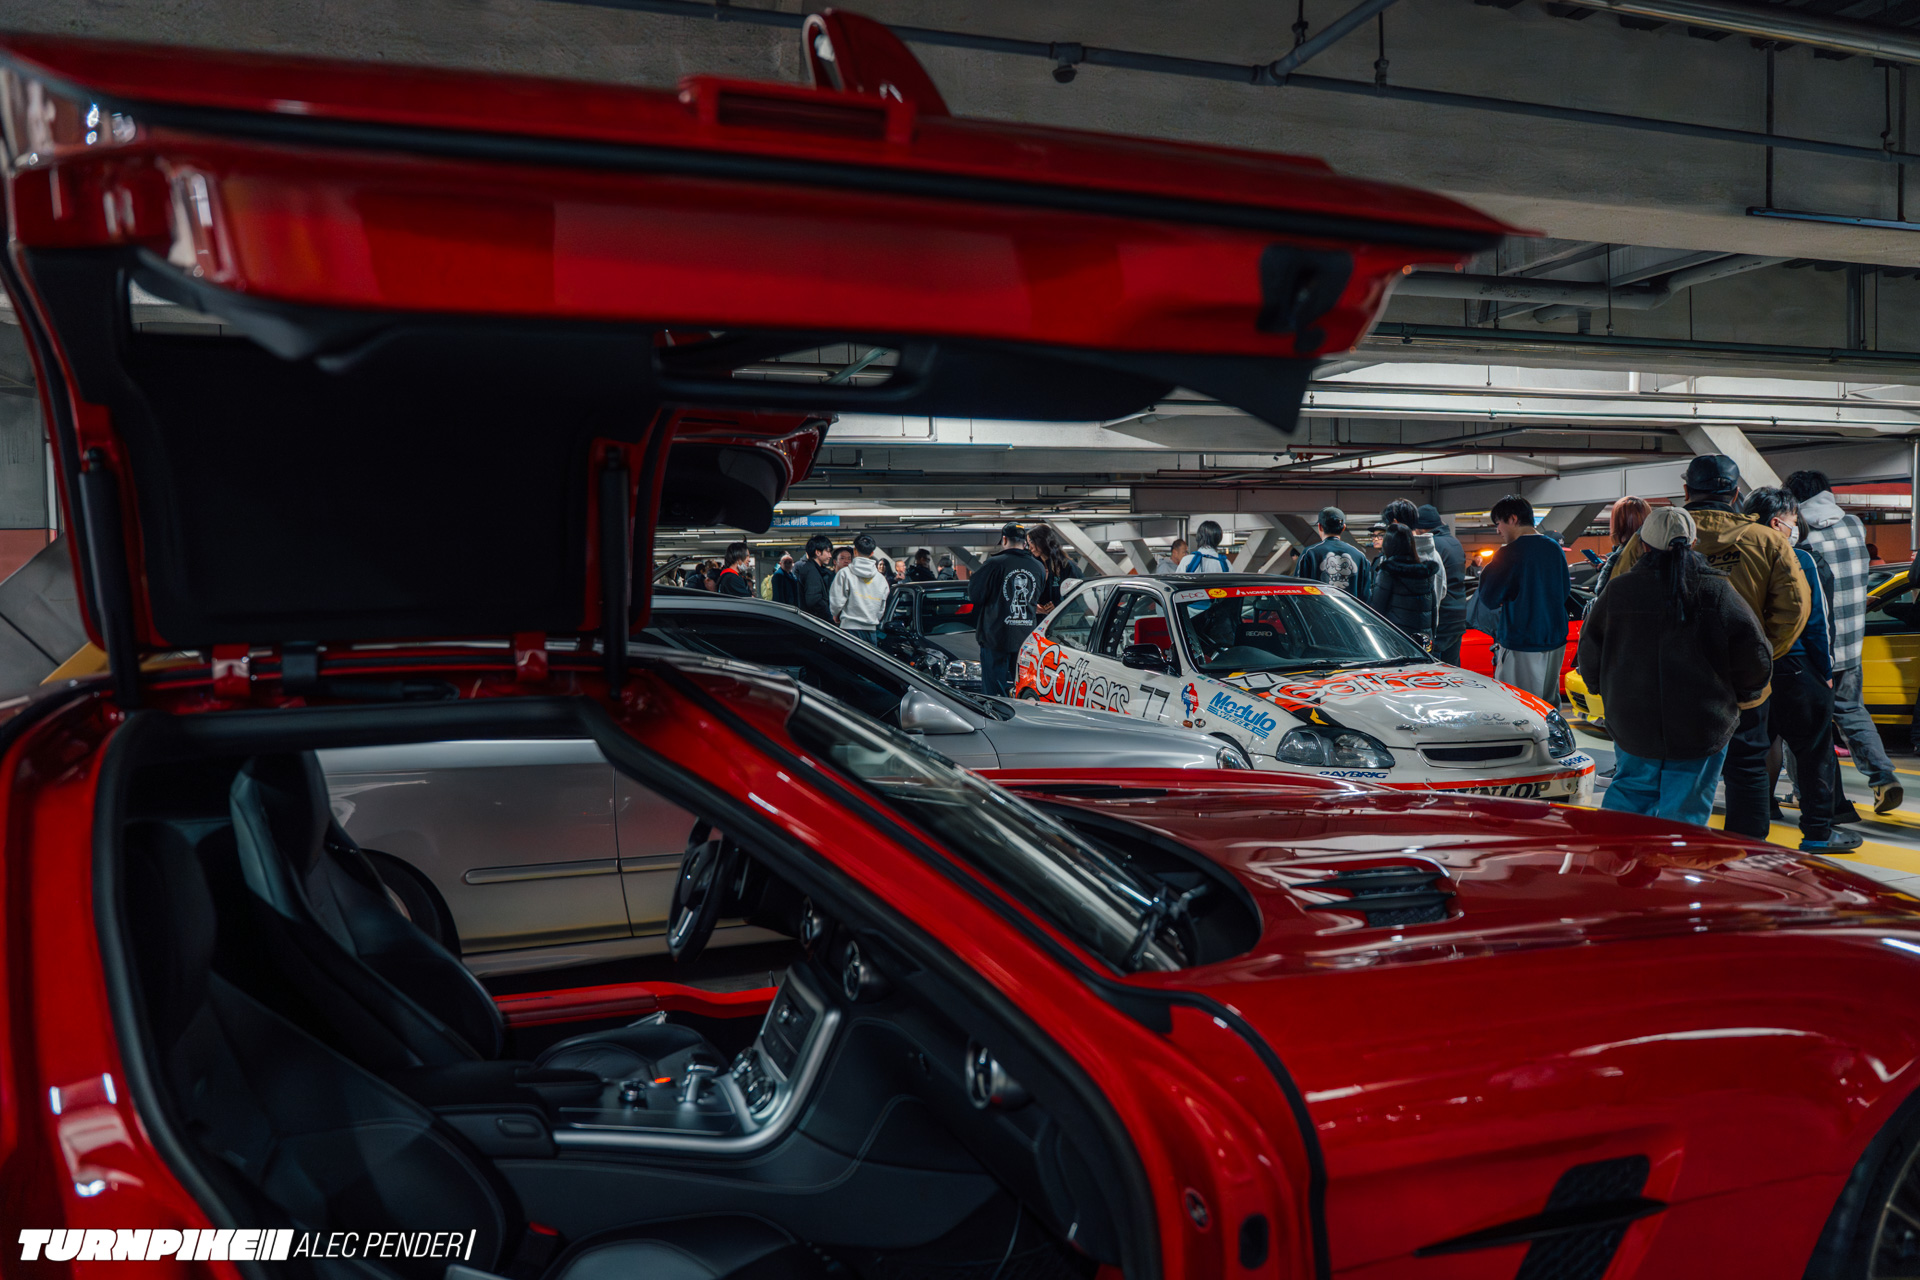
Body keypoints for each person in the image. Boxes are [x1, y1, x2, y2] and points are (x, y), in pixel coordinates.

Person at [1611, 455, 1809, 841]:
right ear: (1736, 494)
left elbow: (1621, 601)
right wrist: (1756, 657)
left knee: (1656, 775)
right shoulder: (1767, 541)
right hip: (1741, 687)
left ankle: (1640, 856)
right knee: (1748, 769)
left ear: (1687, 490)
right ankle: (1745, 858)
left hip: (1663, 685)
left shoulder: (1649, 538)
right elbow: (1794, 609)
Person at [1578, 505, 1773, 828]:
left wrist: (1603, 690)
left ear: (1643, 545)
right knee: (1685, 810)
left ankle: (1616, 859)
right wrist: (1741, 695)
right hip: (1702, 724)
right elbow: (1756, 654)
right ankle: (1676, 861)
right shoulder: (1717, 590)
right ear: (1693, 542)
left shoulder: (1619, 590)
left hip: (1632, 721)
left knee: (1629, 796)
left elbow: (1589, 652)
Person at [1743, 489, 1857, 850]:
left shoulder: (1737, 558)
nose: (1797, 526)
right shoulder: (1801, 559)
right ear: (1777, 523)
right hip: (1796, 667)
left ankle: (1751, 833)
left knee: (1753, 752)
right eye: (1794, 520)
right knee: (1813, 753)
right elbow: (1817, 622)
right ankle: (1818, 832)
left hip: (1749, 669)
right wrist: (1825, 672)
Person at [1788, 469, 1901, 815]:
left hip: (1814, 646)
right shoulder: (1854, 524)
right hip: (1851, 644)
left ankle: (1805, 791)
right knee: (1852, 710)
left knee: (1802, 723)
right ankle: (1883, 777)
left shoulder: (1797, 533)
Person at [1475, 495, 1571, 706]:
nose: (1498, 530)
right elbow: (1565, 591)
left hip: (1522, 640)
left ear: (1512, 519)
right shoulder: (1554, 548)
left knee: (1520, 705)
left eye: (1498, 523)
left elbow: (1489, 597)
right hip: (1555, 638)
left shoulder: (1509, 553)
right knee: (1548, 704)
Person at [968, 523, 1046, 696]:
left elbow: (975, 596)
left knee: (994, 694)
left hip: (996, 638)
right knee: (1023, 690)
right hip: (1025, 639)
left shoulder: (993, 564)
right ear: (1025, 542)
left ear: (1004, 539)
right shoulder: (1038, 567)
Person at [1369, 525, 1440, 647]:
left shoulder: (1388, 572)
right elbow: (1433, 611)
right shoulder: (1426, 573)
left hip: (1396, 640)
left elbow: (1377, 610)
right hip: (1422, 640)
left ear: (1388, 545)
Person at [1383, 499, 1446, 634]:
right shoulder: (1434, 555)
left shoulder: (1395, 559)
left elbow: (1380, 603)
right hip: (1425, 633)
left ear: (1395, 523)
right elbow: (1442, 591)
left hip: (1397, 634)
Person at [1417, 505, 1469, 665]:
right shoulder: (1454, 542)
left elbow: (1434, 585)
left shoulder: (1433, 546)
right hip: (1457, 617)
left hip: (1442, 619)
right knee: (1452, 668)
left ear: (1421, 528)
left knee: (1436, 668)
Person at [1294, 507, 1372, 600]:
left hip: (1318, 609)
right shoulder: (1360, 556)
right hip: (1350, 609)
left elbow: (1297, 591)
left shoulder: (1309, 553)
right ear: (1343, 528)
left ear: (1320, 527)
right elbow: (1366, 596)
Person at [828, 533, 891, 643]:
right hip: (871, 631)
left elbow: (836, 603)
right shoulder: (881, 579)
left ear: (855, 551)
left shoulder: (844, 573)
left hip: (848, 630)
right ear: (872, 553)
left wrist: (835, 614)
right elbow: (881, 608)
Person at [1592, 497, 1651, 595]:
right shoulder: (1653, 549)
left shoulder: (1619, 556)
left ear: (1616, 522)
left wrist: (1607, 568)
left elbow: (1603, 593)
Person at [1028, 525, 1082, 613]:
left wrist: (1059, 604)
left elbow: (1079, 593)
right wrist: (1034, 606)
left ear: (1042, 541)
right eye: (1028, 543)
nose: (1030, 548)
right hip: (1041, 619)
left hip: (1063, 618)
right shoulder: (1033, 566)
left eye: (1032, 542)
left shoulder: (1066, 566)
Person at [792, 535, 835, 622]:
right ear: (818, 552)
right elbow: (814, 600)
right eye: (828, 552)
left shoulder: (812, 568)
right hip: (814, 621)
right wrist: (829, 618)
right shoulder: (811, 571)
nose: (830, 555)